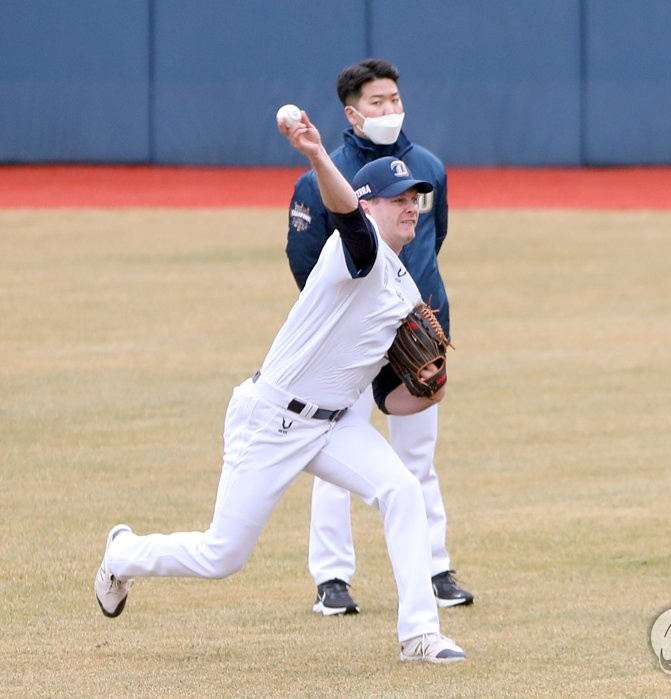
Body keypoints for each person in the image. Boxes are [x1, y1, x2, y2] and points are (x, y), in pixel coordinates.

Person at [93, 110, 466, 664]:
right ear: (369, 205)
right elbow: (346, 216)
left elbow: (392, 397)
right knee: (223, 555)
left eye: (415, 196)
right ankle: (123, 553)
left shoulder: (406, 286)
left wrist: (432, 391)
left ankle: (420, 635)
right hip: (271, 419)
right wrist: (316, 154)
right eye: (398, 198)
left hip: (334, 426)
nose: (412, 204)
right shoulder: (354, 254)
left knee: (401, 490)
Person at [286, 57, 472, 616]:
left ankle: (436, 568)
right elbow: (304, 262)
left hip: (417, 333)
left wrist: (413, 311)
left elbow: (430, 242)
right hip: (347, 346)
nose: (390, 109)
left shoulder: (429, 168)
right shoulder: (321, 177)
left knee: (418, 458)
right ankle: (332, 579)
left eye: (394, 98)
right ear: (352, 112)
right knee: (334, 456)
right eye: (377, 102)